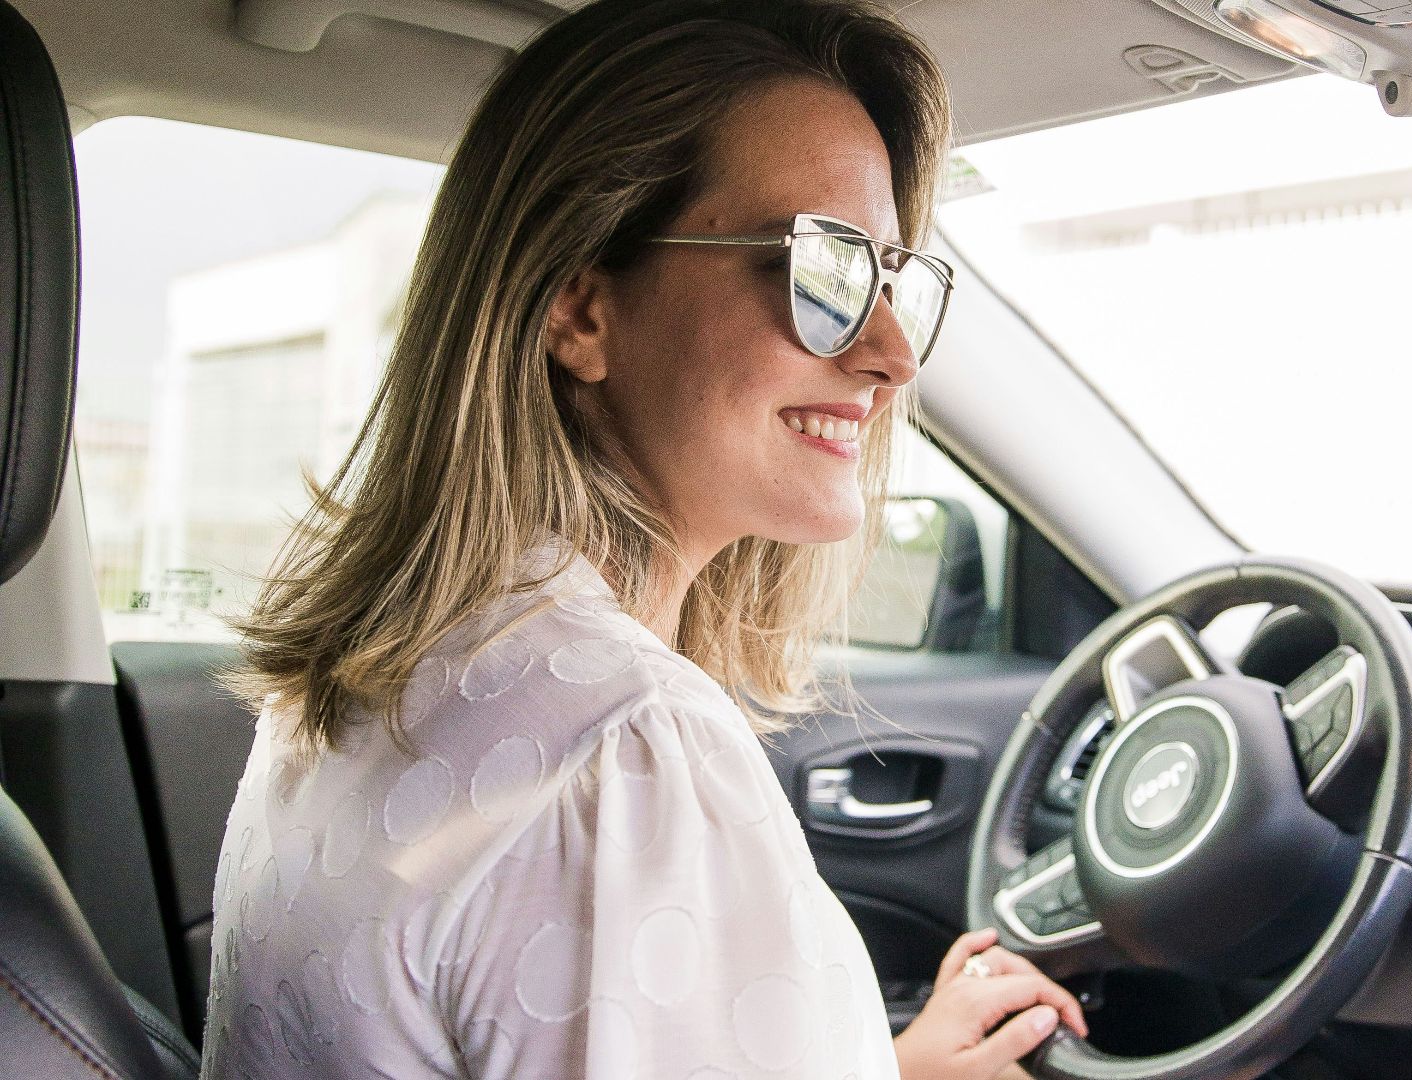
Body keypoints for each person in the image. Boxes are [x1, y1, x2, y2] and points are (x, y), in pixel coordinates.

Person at [201, 1, 1089, 1076]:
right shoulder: (623, 756)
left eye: (888, 279)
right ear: (579, 307)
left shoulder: (371, 681)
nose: (893, 353)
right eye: (824, 270)